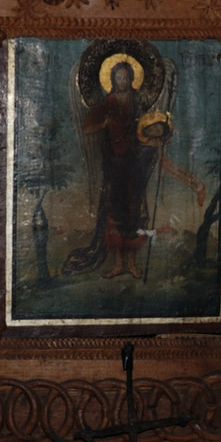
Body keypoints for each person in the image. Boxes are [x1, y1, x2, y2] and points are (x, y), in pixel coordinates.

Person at [73, 60, 159, 279]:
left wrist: (156, 134)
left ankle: (131, 264)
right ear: (112, 80)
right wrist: (104, 123)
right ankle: (119, 264)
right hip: (114, 163)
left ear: (131, 79)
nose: (122, 81)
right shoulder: (109, 101)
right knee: (114, 214)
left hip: (134, 162)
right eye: (118, 77)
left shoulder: (137, 101)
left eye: (125, 77)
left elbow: (146, 127)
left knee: (134, 214)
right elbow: (87, 128)